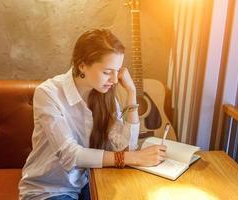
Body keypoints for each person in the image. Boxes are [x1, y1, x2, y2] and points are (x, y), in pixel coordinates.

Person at [19, 29, 167, 200]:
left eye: (117, 71)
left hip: (89, 182)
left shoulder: (104, 93)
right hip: (50, 189)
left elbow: (126, 147)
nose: (114, 80)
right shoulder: (48, 93)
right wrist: (132, 158)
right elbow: (70, 155)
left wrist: (131, 93)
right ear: (82, 65)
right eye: (107, 72)